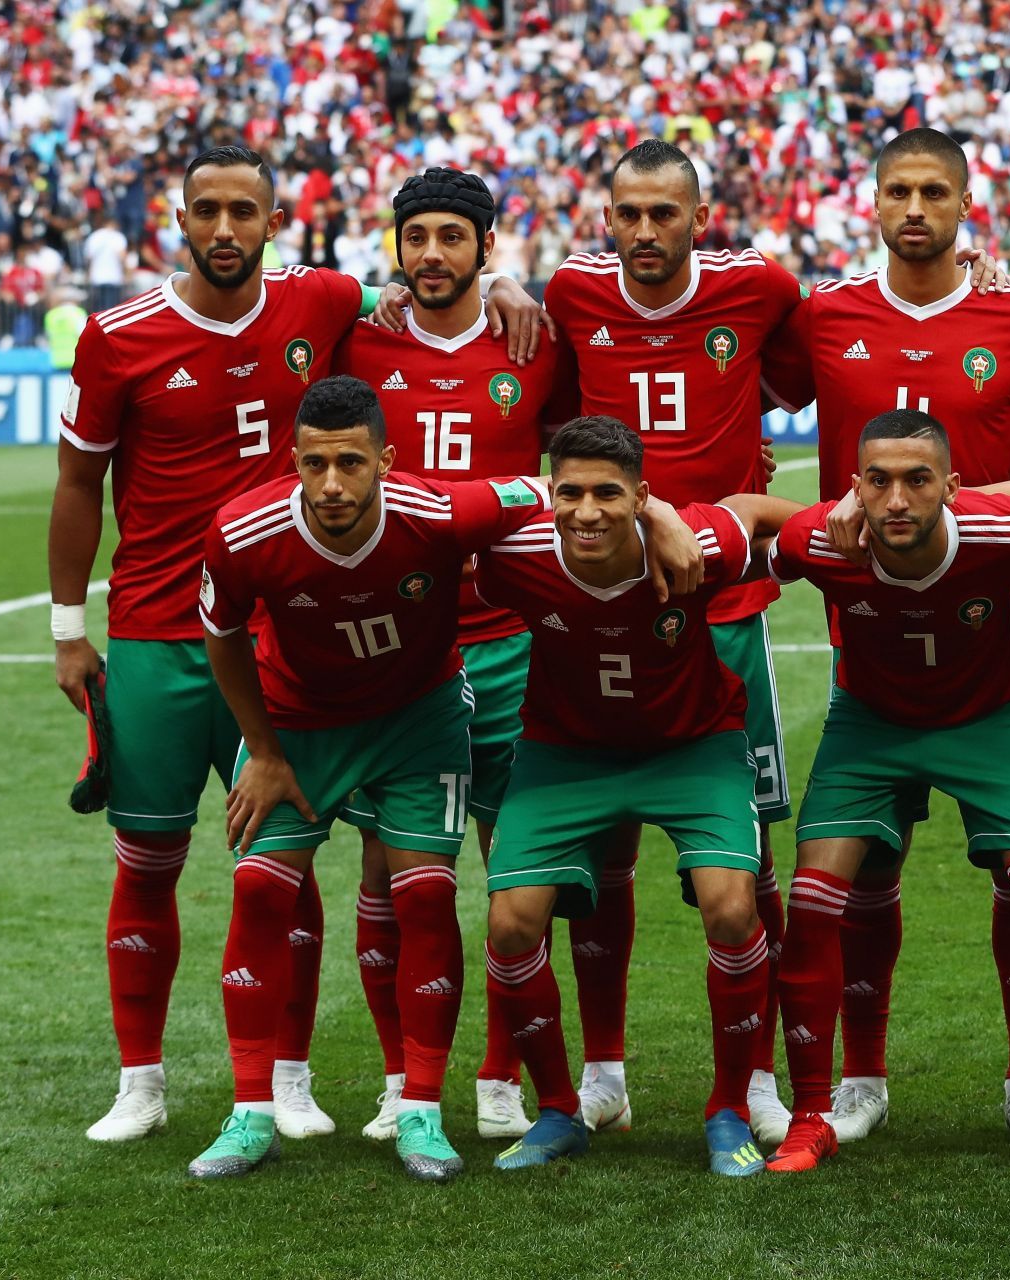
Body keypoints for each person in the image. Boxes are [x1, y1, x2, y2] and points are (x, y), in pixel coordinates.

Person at [50, 144, 545, 1146]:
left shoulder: (320, 299)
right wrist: (69, 629)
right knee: (147, 853)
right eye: (206, 211)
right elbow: (76, 485)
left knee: (286, 856)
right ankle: (140, 1079)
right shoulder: (117, 335)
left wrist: (500, 277)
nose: (224, 229)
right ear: (178, 218)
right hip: (158, 629)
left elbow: (422, 276)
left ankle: (287, 1076)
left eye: (245, 212)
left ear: (277, 221)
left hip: (281, 636)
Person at [760, 127, 1010, 1144]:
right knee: (851, 880)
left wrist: (975, 502)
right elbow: (746, 398)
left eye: (934, 191)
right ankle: (857, 1078)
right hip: (869, 651)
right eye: (898, 190)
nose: (916, 207)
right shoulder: (825, 317)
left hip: (992, 648)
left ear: (964, 201)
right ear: (873, 201)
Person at [190, 375, 559, 1181]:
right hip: (299, 727)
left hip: (417, 722)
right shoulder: (244, 531)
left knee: (424, 894)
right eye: (314, 464)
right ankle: (251, 1112)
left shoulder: (438, 513)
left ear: (387, 461)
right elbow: (221, 638)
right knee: (258, 889)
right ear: (292, 460)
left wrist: (665, 515)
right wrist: (265, 750)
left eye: (351, 463)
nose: (331, 485)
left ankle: (421, 1111)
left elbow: (548, 488)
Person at [541, 138, 804, 1143]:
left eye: (665, 212)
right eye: (627, 214)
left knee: (747, 859)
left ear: (701, 216)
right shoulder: (567, 293)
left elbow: (814, 349)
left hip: (725, 614)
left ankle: (760, 1072)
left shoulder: (758, 287)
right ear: (606, 218)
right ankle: (603, 1072)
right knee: (602, 846)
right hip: (607, 608)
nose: (645, 232)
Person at [763, 409, 1010, 1174]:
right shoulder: (819, 539)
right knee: (815, 900)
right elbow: (746, 537)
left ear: (951, 484)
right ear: (853, 489)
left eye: (918, 481)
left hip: (993, 719)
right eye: (878, 482)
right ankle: (822, 1105)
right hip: (872, 724)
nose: (898, 500)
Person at [469, 416, 799, 1178]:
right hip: (566, 753)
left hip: (692, 748)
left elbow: (761, 515)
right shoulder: (516, 554)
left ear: (642, 495)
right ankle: (558, 1111)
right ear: (550, 492)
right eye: (572, 492)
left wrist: (674, 518)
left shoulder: (695, 545)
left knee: (731, 905)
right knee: (512, 924)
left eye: (610, 495)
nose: (587, 511)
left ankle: (726, 1107)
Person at [333, 167, 571, 1144]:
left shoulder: (533, 340)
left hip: (513, 636)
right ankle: (400, 1076)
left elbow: (582, 463)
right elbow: (291, 285)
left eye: (451, 237)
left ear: (486, 245)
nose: (431, 253)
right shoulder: (362, 336)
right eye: (415, 236)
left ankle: (500, 1072)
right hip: (399, 645)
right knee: (389, 866)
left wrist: (522, 287)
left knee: (511, 868)